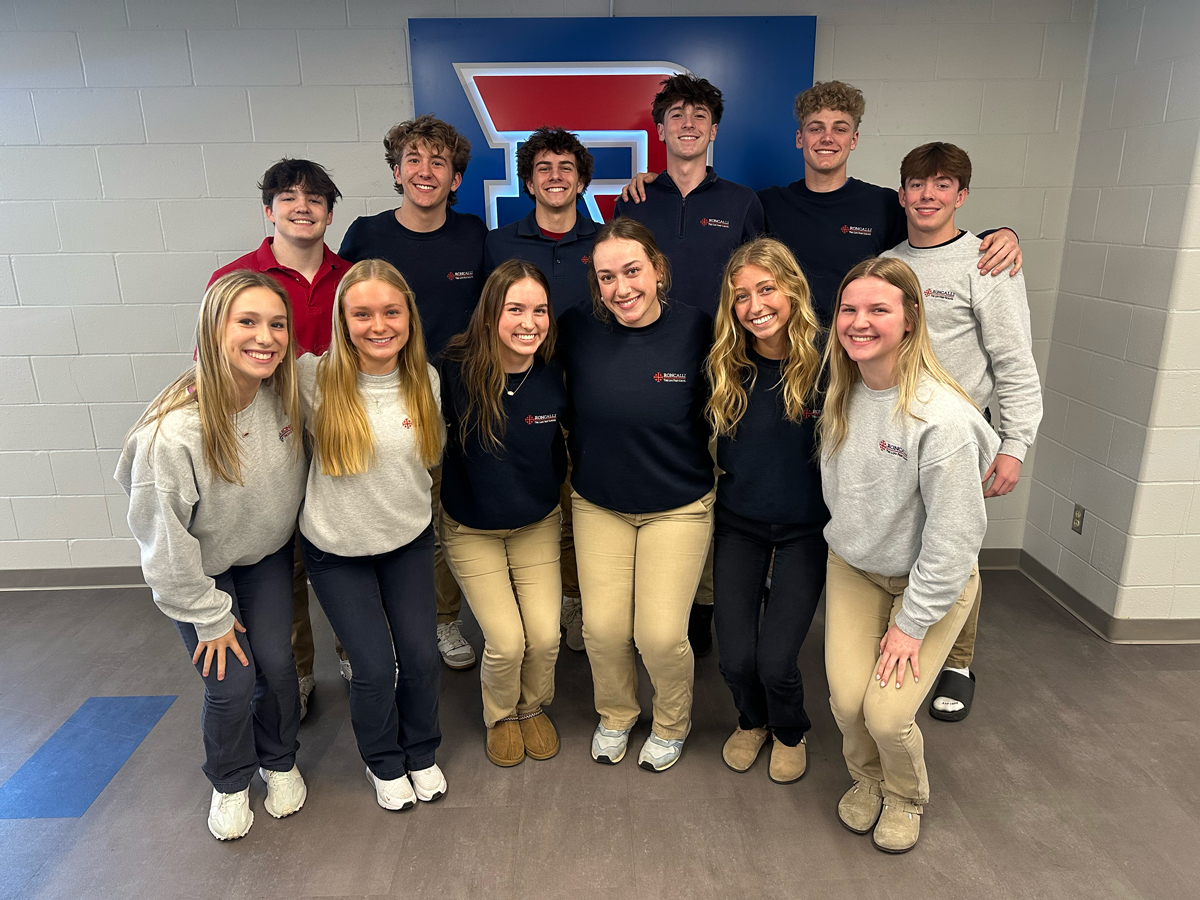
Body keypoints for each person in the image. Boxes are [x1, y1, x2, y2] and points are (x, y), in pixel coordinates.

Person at [116, 270, 309, 840]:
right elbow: (165, 547)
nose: (265, 337)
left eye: (277, 324)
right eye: (247, 322)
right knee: (231, 683)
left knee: (278, 667)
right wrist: (209, 617)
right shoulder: (172, 436)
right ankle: (229, 781)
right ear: (213, 330)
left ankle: (279, 761)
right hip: (197, 574)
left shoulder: (283, 396)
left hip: (264, 558)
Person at [819, 257, 999, 853]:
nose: (859, 322)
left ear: (911, 318)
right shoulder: (841, 393)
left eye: (878, 309)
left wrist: (911, 624)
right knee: (848, 703)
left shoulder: (940, 417)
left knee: (888, 715)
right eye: (849, 309)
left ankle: (904, 795)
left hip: (932, 581)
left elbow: (954, 539)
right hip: (855, 569)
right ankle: (868, 779)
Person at [882, 142, 1043, 722]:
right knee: (913, 543)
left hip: (961, 438)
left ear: (962, 195)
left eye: (943, 184)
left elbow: (1015, 363)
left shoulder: (986, 263)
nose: (928, 195)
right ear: (902, 193)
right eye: (917, 184)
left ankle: (959, 662)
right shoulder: (889, 264)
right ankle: (905, 640)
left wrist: (1015, 445)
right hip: (898, 433)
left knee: (957, 546)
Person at [557, 217, 715, 773]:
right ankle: (617, 713)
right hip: (599, 502)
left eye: (632, 271)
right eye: (607, 277)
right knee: (601, 631)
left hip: (678, 505)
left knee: (661, 635)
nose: (621, 288)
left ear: (658, 270)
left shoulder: (698, 328)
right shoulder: (575, 328)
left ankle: (671, 723)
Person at [615, 73, 765, 657]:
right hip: (645, 372)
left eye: (700, 115)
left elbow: (759, 282)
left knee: (712, 491)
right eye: (676, 114)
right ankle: (650, 609)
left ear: (714, 130)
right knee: (659, 489)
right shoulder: (634, 200)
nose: (688, 123)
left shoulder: (741, 202)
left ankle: (702, 607)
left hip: (723, 374)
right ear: (659, 129)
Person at [295, 259, 447, 812]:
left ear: (409, 317)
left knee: (422, 658)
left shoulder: (425, 378)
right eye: (362, 314)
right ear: (343, 319)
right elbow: (235, 376)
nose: (378, 325)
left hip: (407, 541)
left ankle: (421, 751)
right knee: (376, 668)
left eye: (391, 312)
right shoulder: (312, 378)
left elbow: (427, 462)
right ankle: (383, 760)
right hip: (338, 551)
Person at [339, 115, 488, 672]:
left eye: (439, 161)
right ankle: (362, 640)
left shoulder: (473, 235)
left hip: (452, 407)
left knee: (439, 523)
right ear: (397, 172)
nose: (426, 170)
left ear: (455, 178)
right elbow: (342, 316)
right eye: (414, 160)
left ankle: (442, 621)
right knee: (369, 519)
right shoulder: (367, 235)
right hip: (375, 407)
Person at [208, 158, 352, 718]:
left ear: (330, 213)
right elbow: (213, 365)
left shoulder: (351, 277)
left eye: (315, 199)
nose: (302, 207)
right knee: (281, 560)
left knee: (347, 550)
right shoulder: (235, 279)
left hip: (340, 437)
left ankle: (356, 655)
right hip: (269, 440)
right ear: (268, 211)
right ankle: (297, 673)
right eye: (288, 197)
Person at [706, 238, 827, 785]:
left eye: (766, 289)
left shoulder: (829, 361)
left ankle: (789, 730)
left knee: (777, 659)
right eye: (741, 296)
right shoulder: (726, 364)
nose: (754, 305)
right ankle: (752, 720)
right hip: (740, 524)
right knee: (734, 657)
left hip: (806, 530)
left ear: (793, 289)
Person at [439, 260, 568, 767]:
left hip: (536, 522)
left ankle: (531, 705)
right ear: (491, 313)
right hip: (473, 528)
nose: (529, 323)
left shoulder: (555, 368)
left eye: (540, 310)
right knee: (507, 642)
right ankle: (501, 714)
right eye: (516, 309)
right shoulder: (453, 367)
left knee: (545, 637)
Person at [756, 81, 1022, 323]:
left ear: (853, 140)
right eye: (816, 129)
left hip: (858, 346)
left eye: (840, 129)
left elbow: (937, 243)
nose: (827, 138)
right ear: (800, 138)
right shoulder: (768, 204)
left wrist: (1002, 235)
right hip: (791, 349)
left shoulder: (883, 204)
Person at [484, 126, 599, 654]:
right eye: (543, 169)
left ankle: (571, 598)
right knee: (528, 496)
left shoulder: (603, 243)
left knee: (577, 501)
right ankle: (520, 601)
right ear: (529, 183)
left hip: (589, 396)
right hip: (520, 394)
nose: (555, 177)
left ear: (581, 181)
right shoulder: (499, 243)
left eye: (566, 168)